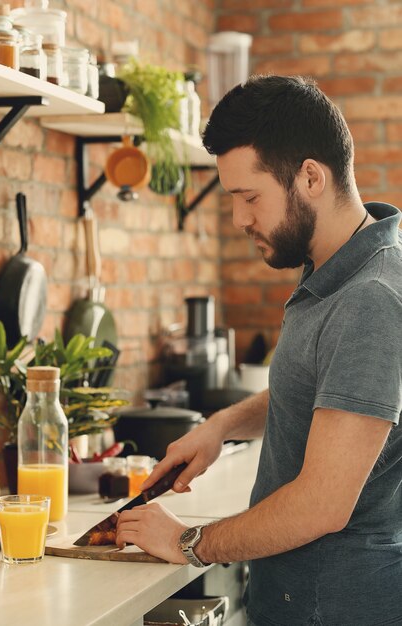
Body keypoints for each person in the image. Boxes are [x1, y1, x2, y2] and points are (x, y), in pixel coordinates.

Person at [115, 75, 402, 626]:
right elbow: (324, 393)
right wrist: (222, 426)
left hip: (335, 607)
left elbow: (322, 503)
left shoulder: (371, 299)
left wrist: (187, 542)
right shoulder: (337, 274)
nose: (240, 219)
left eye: (250, 197)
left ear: (311, 177)